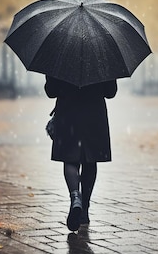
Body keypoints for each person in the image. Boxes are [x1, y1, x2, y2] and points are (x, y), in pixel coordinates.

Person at [44, 75, 118, 232]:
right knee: (90, 160)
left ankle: (75, 196)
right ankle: (84, 209)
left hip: (68, 112)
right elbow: (110, 92)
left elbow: (51, 91)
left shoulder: (61, 56)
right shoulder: (101, 58)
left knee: (70, 159)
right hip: (94, 114)